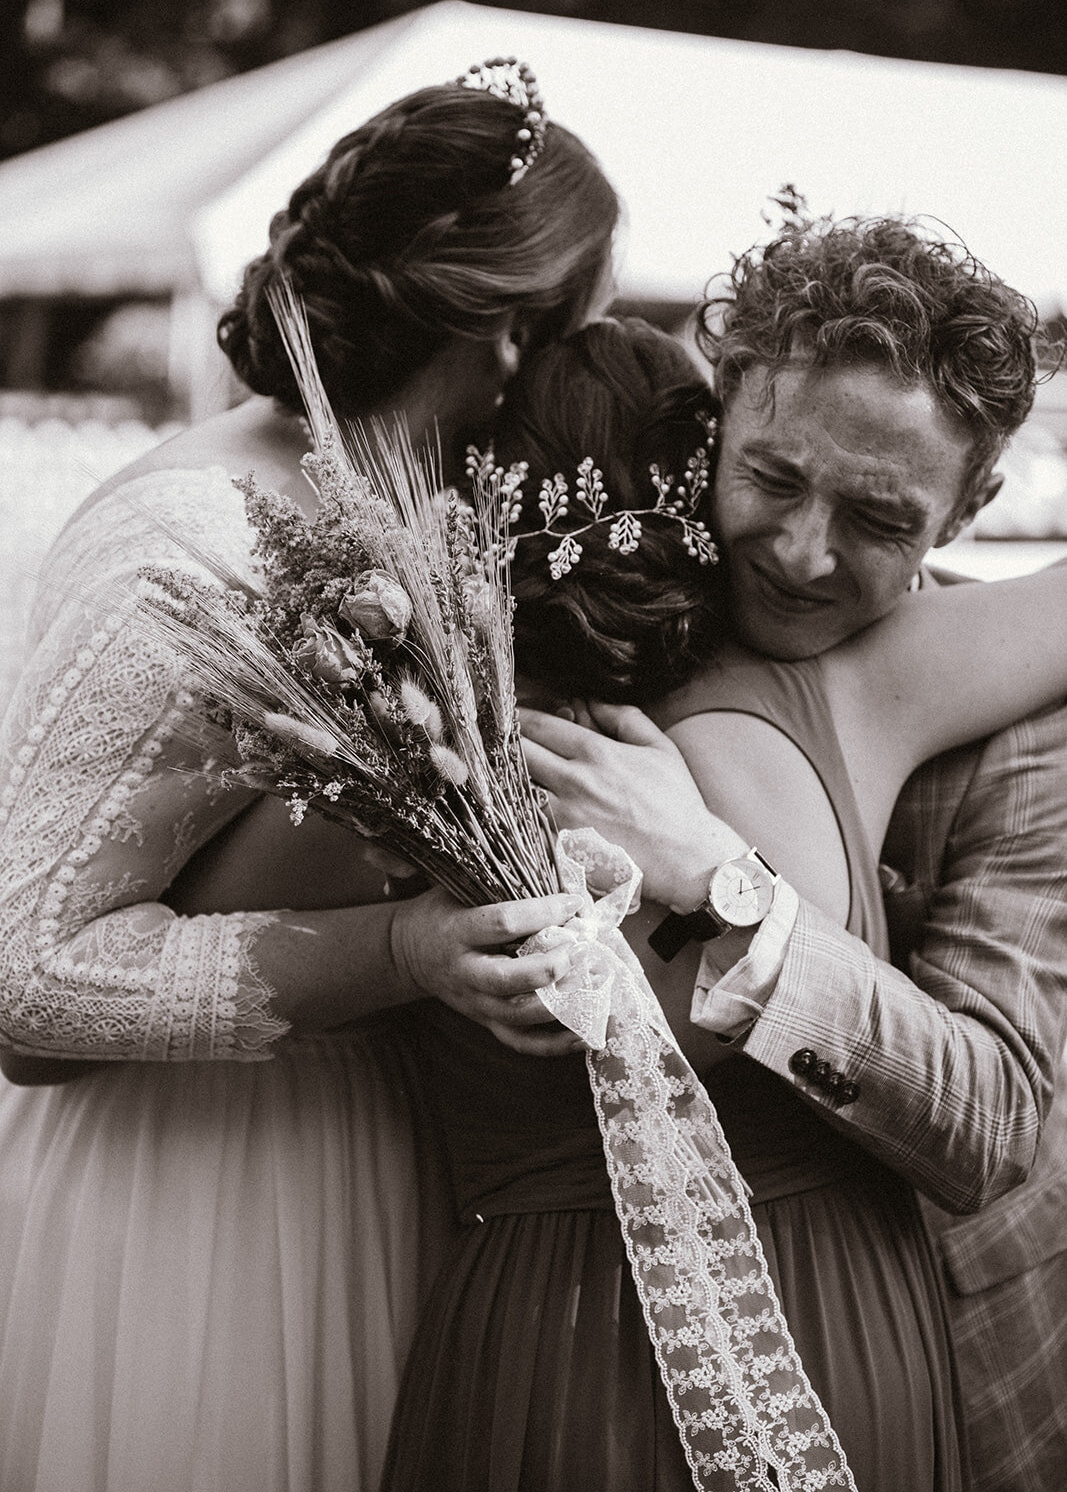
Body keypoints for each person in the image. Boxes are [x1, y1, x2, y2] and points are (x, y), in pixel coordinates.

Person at [0, 62, 617, 1492]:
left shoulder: (390, 516)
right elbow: (25, 981)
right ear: (514, 334)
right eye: (576, 322)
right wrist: (405, 948)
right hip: (191, 1214)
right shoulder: (191, 537)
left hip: (357, 1159)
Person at [380, 300, 1067, 1492]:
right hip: (772, 1324)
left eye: (874, 517)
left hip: (677, 1335)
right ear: (711, 425)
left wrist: (712, 872)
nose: (802, 551)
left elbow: (989, 1119)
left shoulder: (407, 723)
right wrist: (412, 944)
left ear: (963, 513)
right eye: (770, 480)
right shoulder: (874, 690)